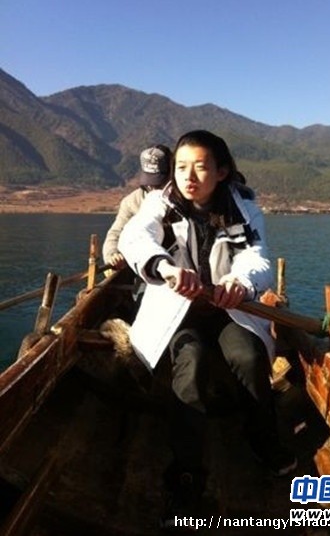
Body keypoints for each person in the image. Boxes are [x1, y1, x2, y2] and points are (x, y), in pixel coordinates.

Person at [118, 130, 297, 529]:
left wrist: (240, 282)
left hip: (226, 307)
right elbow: (135, 238)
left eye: (200, 167)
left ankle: (261, 437)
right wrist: (165, 267)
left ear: (222, 171)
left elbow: (257, 257)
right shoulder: (161, 203)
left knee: (249, 356)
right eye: (181, 167)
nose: (189, 176)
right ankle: (186, 472)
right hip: (176, 309)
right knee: (191, 361)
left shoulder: (243, 209)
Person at [102, 144, 172, 270]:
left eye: (159, 183)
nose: (153, 188)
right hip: (148, 265)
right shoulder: (131, 202)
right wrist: (112, 254)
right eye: (150, 184)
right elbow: (115, 233)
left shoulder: (185, 198)